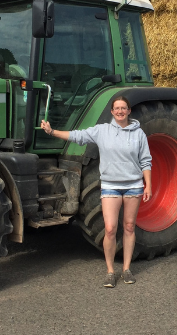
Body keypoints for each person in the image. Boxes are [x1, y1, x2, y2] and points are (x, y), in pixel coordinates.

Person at [40, 97, 152, 288]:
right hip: (110, 185)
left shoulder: (138, 134)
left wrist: (148, 185)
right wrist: (52, 132)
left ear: (129, 110)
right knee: (109, 229)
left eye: (123, 108)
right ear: (112, 112)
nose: (120, 111)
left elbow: (145, 160)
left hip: (133, 185)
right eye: (116, 108)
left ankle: (126, 269)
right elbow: (78, 136)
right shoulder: (102, 131)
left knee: (129, 227)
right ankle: (110, 271)